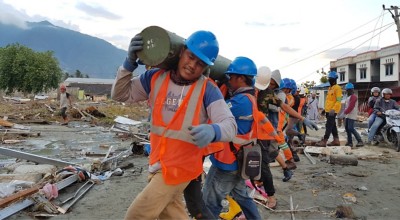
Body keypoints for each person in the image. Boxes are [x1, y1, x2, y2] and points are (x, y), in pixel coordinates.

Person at [111, 30, 237, 219]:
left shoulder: (208, 89)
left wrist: (214, 130)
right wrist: (128, 65)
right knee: (170, 213)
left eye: (200, 63)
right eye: (191, 56)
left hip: (181, 168)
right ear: (181, 51)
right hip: (157, 161)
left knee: (136, 215)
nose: (192, 65)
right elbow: (120, 94)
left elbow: (230, 125)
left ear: (205, 67)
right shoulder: (154, 78)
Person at [202, 56, 261, 219]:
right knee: (242, 196)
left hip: (228, 162)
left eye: (232, 77)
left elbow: (216, 110)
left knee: (209, 202)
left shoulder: (240, 101)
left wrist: (209, 83)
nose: (229, 80)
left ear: (241, 78)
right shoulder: (250, 96)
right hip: (240, 160)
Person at [315, 71, 343, 147]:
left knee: (329, 126)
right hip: (328, 110)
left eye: (330, 78)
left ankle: (324, 140)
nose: (329, 80)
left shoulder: (337, 88)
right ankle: (336, 140)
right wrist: (325, 109)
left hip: (333, 111)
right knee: (333, 125)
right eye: (329, 78)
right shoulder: (330, 88)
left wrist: (334, 109)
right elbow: (329, 101)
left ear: (334, 79)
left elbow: (338, 100)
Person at [343, 83, 364, 147]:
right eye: (347, 90)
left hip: (352, 114)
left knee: (351, 128)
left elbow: (351, 106)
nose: (347, 91)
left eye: (349, 90)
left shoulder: (353, 97)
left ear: (352, 90)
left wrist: (345, 112)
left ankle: (360, 141)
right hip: (348, 115)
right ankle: (350, 142)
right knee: (347, 128)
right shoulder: (348, 97)